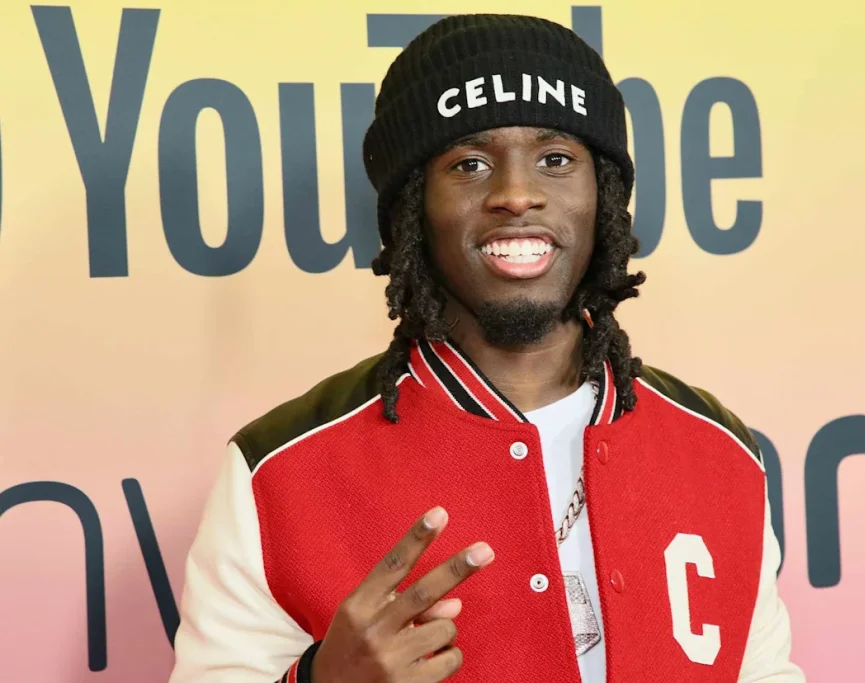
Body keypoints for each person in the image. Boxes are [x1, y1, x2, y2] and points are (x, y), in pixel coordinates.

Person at [168, 13, 805, 683]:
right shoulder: (277, 472)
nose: (517, 195)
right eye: (469, 164)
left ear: (604, 194)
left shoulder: (721, 451)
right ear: (414, 208)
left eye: (556, 160)